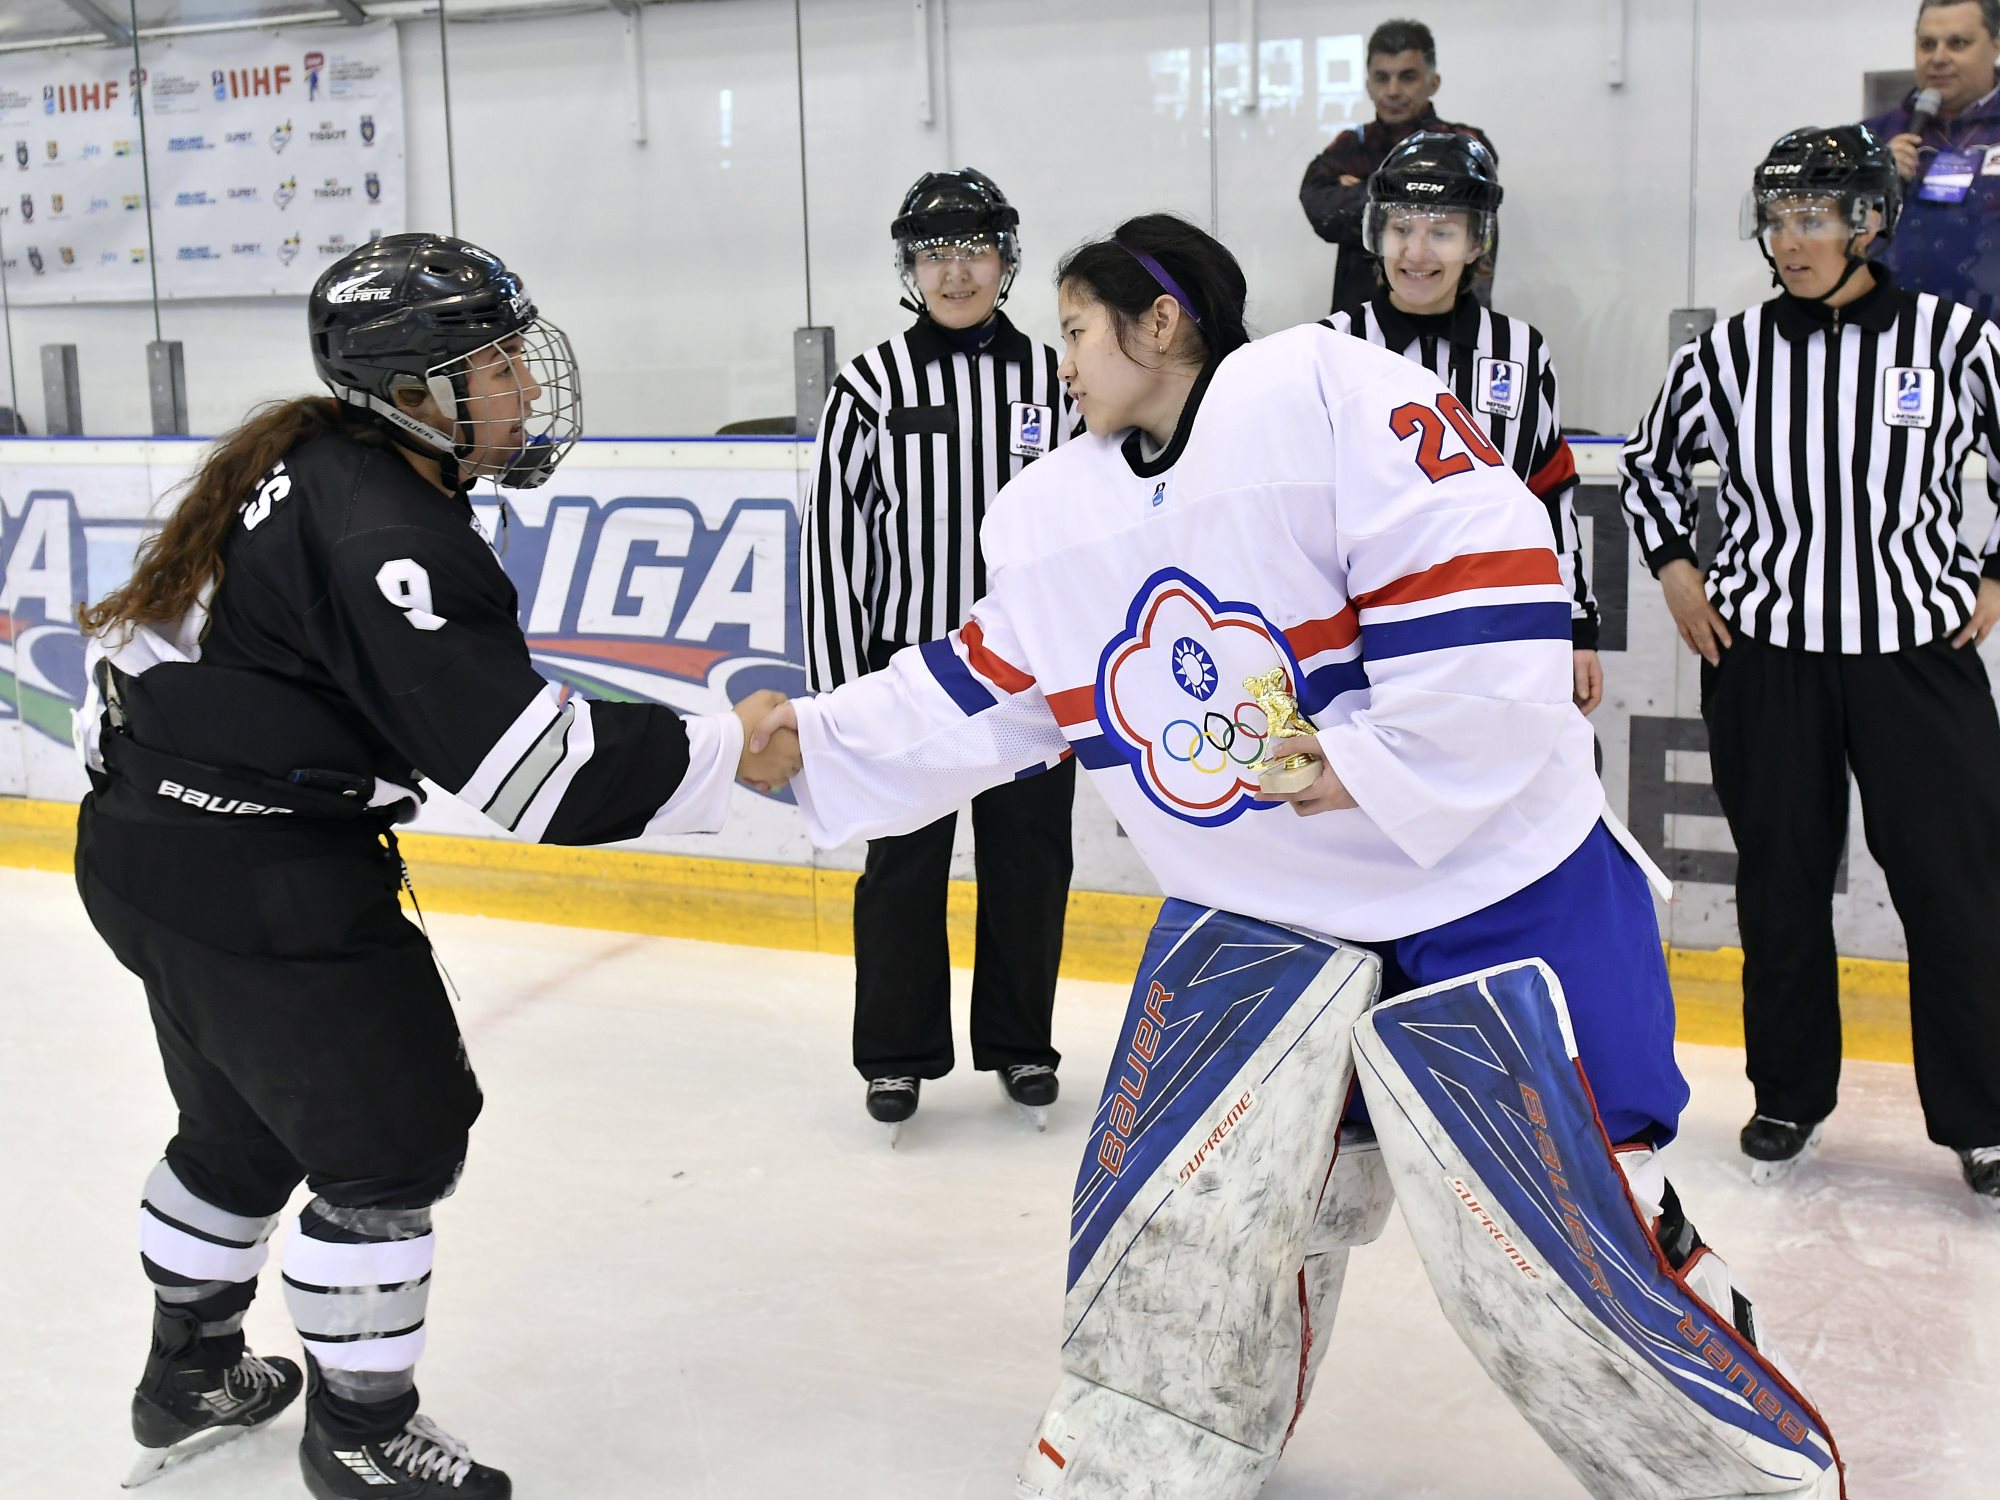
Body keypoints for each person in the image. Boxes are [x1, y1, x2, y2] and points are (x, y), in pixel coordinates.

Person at [749, 221, 1841, 1498]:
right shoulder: (1052, 516)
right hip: (1257, 919)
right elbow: (975, 689)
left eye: (1075, 332)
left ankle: (1744, 1481)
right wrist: (805, 745)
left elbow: (1488, 588)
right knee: (1181, 1229)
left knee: (1560, 1262)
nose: (1061, 366)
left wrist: (1372, 759)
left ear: (1161, 324)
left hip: (1491, 898)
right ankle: (1139, 1466)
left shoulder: (1330, 391)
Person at [72, 233, 799, 1497]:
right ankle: (359, 1430)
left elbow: (149, 662)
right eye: (495, 361)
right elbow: (537, 775)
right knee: (389, 1148)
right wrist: (723, 745)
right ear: (410, 393)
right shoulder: (384, 526)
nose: (525, 383)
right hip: (262, 879)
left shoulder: (309, 457)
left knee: (240, 1124)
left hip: (149, 852)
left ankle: (188, 1364)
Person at [1621, 125, 2000, 1211]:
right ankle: (1787, 1093)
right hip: (1767, 657)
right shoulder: (1723, 352)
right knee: (1778, 886)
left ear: (1867, 222)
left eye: (1811, 218)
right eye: (1776, 219)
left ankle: (1979, 1117)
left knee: (1953, 889)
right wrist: (1678, 574)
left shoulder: (1953, 341)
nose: (1788, 241)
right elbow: (1650, 473)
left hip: (1913, 659)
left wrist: (1990, 576)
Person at [799, 168, 1079, 1136]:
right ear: (907, 267)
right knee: (901, 872)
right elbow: (835, 542)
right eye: (933, 253)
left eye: (972, 250)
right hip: (909, 678)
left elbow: (1087, 532)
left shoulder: (1058, 377)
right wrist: (843, 698)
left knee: (1031, 864)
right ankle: (894, 1054)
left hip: (1032, 681)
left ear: (1005, 258)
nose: (953, 272)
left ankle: (1021, 1041)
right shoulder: (869, 386)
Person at [1324, 131, 1603, 713]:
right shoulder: (1333, 344)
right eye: (1401, 229)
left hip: (1498, 631)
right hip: (1370, 635)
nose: (1416, 254)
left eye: (1441, 233)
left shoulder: (1521, 351)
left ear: (1478, 242)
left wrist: (1577, 627)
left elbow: (1549, 497)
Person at [1298, 17, 1496, 318]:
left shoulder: (1465, 143)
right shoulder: (1350, 145)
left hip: (1454, 326)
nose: (1392, 90)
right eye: (1382, 77)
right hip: (1361, 328)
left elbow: (1476, 221)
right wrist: (1420, 195)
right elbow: (1321, 212)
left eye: (1407, 77)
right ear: (1368, 85)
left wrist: (1365, 190)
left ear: (1433, 83)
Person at [1866, 0, 2000, 319]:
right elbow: (1839, 240)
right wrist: (1871, 180)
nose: (1938, 58)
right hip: (1898, 331)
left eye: (1958, 43)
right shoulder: (1873, 138)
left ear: (1996, 44)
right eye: (1927, 44)